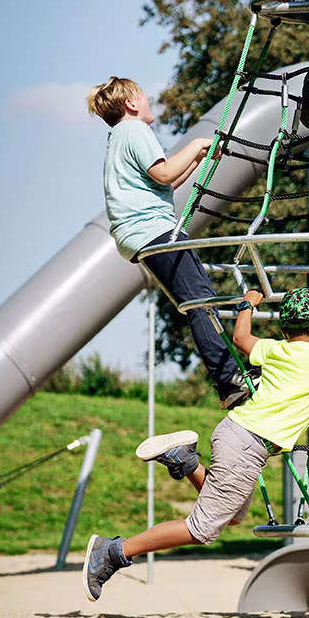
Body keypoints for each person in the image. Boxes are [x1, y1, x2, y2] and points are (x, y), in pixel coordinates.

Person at [82, 285, 309, 602]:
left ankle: (185, 461)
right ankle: (113, 551)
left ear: (283, 330)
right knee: (201, 530)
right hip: (247, 445)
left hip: (238, 436)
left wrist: (247, 304)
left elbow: (241, 339)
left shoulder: (274, 349)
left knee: (234, 515)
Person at [87, 76, 253, 409]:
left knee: (197, 299)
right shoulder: (134, 131)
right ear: (132, 103)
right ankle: (228, 378)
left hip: (140, 234)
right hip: (151, 229)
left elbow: (166, 185)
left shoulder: (118, 137)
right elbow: (163, 175)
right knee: (199, 300)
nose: (148, 102)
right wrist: (195, 145)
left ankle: (229, 380)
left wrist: (200, 156)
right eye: (143, 97)